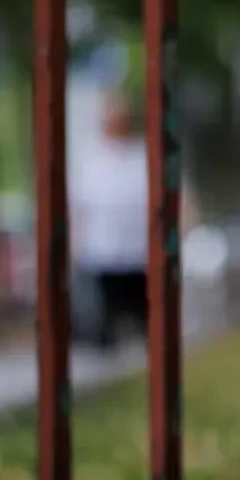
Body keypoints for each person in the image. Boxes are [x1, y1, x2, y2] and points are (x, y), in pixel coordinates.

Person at [70, 93, 149, 351]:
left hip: (139, 254)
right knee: (103, 329)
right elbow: (77, 207)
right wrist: (74, 248)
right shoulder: (90, 158)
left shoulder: (142, 155)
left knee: (145, 325)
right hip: (102, 254)